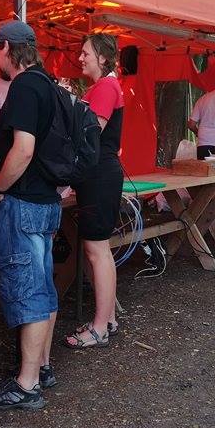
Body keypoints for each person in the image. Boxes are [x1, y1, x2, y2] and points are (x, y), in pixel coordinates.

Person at [0, 20, 62, 411]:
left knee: (28, 291)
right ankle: (41, 367)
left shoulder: (25, 87)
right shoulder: (49, 84)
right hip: (45, 201)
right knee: (43, 287)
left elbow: (24, 149)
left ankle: (27, 384)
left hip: (22, 204)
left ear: (6, 48)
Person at [65, 33, 124, 349]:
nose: (80, 58)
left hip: (100, 176)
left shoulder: (105, 87)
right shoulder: (103, 86)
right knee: (99, 249)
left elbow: (89, 136)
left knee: (96, 250)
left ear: (102, 57)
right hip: (99, 175)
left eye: (85, 53)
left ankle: (100, 327)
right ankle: (107, 319)